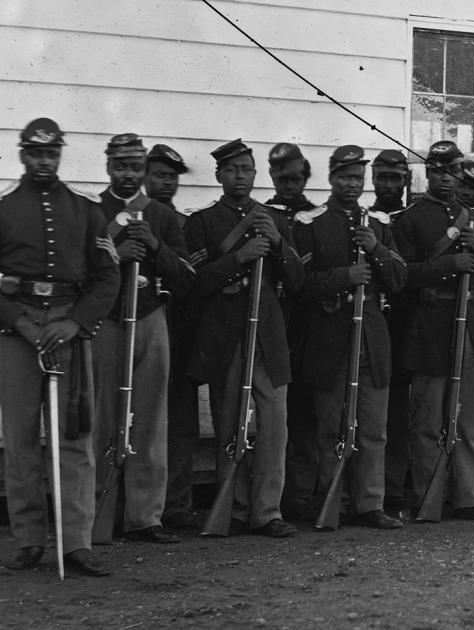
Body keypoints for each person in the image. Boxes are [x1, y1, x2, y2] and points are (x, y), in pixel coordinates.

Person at [0, 118, 120, 575]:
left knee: (75, 436)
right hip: (19, 330)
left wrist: (75, 322)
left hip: (68, 328)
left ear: (60, 155)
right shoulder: (0, 208)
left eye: (51, 154)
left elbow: (108, 275)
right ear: (22, 154)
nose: (43, 161)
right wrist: (20, 324)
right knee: (21, 437)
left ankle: (77, 543)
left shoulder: (85, 207)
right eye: (35, 153)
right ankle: (29, 539)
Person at [183, 139, 304, 537]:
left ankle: (268, 511)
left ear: (257, 175)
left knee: (274, 424)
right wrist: (240, 257)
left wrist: (279, 242)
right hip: (225, 334)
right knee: (230, 423)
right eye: (232, 169)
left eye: (247, 170)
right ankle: (233, 507)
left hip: (267, 333)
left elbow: (297, 280)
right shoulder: (201, 222)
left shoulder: (275, 218)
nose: (240, 176)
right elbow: (194, 284)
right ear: (219, 175)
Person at [391, 140, 474, 521]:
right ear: (427, 173)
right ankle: (430, 496)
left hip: (471, 321)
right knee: (428, 417)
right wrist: (448, 265)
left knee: (472, 416)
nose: (446, 178)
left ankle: (473, 496)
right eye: (438, 170)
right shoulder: (410, 220)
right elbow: (400, 276)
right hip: (431, 323)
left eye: (453, 171)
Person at [292, 145, 408, 529]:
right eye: (344, 177)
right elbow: (299, 285)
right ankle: (334, 503)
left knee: (373, 427)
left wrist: (375, 249)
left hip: (371, 336)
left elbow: (398, 278)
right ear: (331, 178)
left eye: (357, 178)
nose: (351, 185)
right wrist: (344, 278)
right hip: (329, 336)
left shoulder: (379, 224)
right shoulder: (310, 223)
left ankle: (370, 504)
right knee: (331, 427)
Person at [91, 134, 192, 544]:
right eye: (121, 166)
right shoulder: (93, 212)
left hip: (150, 318)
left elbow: (186, 276)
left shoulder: (162, 216)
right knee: (103, 417)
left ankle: (145, 516)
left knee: (150, 421)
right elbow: (80, 272)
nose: (128, 174)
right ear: (109, 167)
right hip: (105, 321)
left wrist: (154, 244)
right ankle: (100, 511)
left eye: (135, 167)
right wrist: (116, 251)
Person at [144, 144, 202, 529]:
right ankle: (136, 507)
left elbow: (196, 277)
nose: (167, 182)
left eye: (172, 175)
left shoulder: (186, 225)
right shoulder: (133, 219)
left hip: (180, 332)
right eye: (159, 174)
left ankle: (177, 505)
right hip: (143, 330)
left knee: (181, 422)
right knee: (143, 419)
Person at [264, 143, 321, 521]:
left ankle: (301, 496)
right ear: (271, 177)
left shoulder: (318, 216)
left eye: (296, 178)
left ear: (306, 177)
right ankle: (271, 497)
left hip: (311, 322)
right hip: (274, 321)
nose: (289, 185)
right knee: (273, 415)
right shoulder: (261, 215)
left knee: (306, 413)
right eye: (282, 178)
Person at [368, 149, 417, 518]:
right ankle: (368, 492)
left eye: (395, 178)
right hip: (372, 325)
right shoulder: (366, 220)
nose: (388, 184)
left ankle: (397, 489)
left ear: (406, 180)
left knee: (402, 415)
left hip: (408, 325)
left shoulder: (411, 219)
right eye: (382, 176)